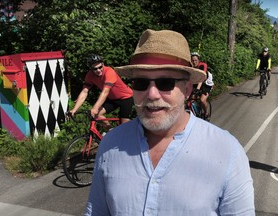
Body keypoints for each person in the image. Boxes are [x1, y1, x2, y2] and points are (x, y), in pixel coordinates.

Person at [84, 29, 255, 215]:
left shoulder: (227, 151)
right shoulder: (110, 145)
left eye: (165, 83)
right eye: (140, 83)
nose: (151, 94)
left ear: (187, 89)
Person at [69, 54, 133, 125]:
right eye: (95, 69)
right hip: (112, 99)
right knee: (97, 115)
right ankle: (110, 132)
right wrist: (74, 109)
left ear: (103, 64)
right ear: (91, 68)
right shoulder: (90, 75)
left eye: (100, 67)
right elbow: (84, 92)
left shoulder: (109, 72)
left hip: (125, 98)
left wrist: (95, 108)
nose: (98, 70)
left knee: (124, 124)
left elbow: (105, 92)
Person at [191, 52, 214, 118]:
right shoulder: (191, 66)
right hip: (197, 82)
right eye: (192, 60)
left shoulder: (202, 65)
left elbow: (201, 78)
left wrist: (197, 89)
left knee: (202, 100)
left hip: (206, 83)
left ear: (199, 60)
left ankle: (206, 112)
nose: (194, 62)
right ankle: (195, 112)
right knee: (191, 99)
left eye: (196, 60)